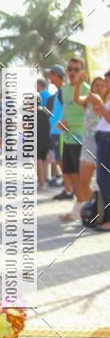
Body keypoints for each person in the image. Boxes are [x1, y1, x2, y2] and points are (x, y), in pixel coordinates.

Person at [62, 74, 109, 222]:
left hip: (103, 143)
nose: (99, 87)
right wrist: (79, 83)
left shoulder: (106, 102)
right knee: (84, 181)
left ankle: (96, 212)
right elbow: (77, 99)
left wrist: (100, 104)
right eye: (96, 85)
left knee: (102, 181)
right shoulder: (89, 100)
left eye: (103, 85)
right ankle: (92, 208)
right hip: (88, 143)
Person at [57, 57, 89, 210]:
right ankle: (81, 205)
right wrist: (62, 121)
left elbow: (89, 115)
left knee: (82, 176)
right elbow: (66, 111)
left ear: (82, 72)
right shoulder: (64, 89)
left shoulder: (86, 89)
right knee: (70, 174)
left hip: (81, 137)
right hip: (67, 137)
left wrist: (71, 122)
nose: (72, 72)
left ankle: (87, 207)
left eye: (76, 70)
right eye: (70, 69)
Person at [90, 84, 110, 229]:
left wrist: (100, 101)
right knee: (103, 179)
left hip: (107, 139)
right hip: (103, 138)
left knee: (104, 179)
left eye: (107, 80)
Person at [46, 65, 65, 192]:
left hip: (60, 132)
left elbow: (68, 110)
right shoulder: (58, 92)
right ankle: (67, 183)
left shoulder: (63, 91)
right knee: (58, 158)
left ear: (57, 75)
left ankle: (68, 184)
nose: (49, 78)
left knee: (60, 158)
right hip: (55, 131)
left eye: (51, 75)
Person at [36, 94, 51, 191]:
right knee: (45, 160)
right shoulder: (46, 111)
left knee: (38, 160)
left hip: (37, 140)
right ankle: (44, 180)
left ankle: (41, 182)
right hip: (47, 138)